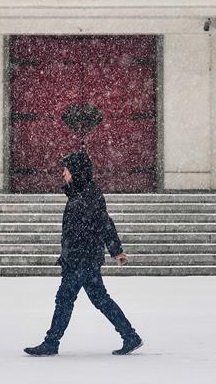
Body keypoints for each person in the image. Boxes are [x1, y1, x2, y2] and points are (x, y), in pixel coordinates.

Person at [23, 150, 143, 356]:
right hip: (80, 257)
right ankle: (130, 336)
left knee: (65, 299)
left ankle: (51, 342)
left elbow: (105, 224)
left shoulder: (88, 194)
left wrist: (116, 250)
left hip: (82, 259)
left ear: (76, 171)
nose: (63, 174)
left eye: (66, 170)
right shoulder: (81, 193)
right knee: (98, 299)